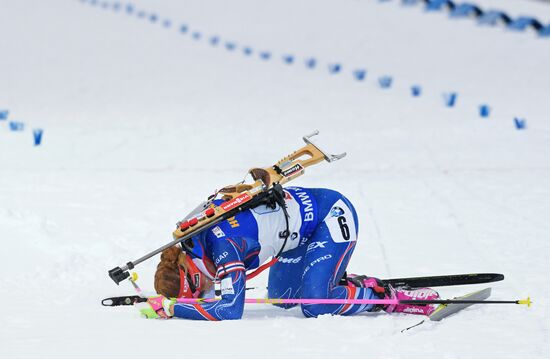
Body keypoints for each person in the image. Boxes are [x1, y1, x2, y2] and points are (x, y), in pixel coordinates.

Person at [138, 186, 440, 320]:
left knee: (315, 305)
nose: (206, 294)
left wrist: (174, 308)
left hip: (330, 215)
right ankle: (343, 285)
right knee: (286, 300)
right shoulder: (196, 244)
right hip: (298, 237)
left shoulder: (221, 250)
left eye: (198, 293)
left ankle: (387, 299)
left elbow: (229, 311)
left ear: (191, 277)